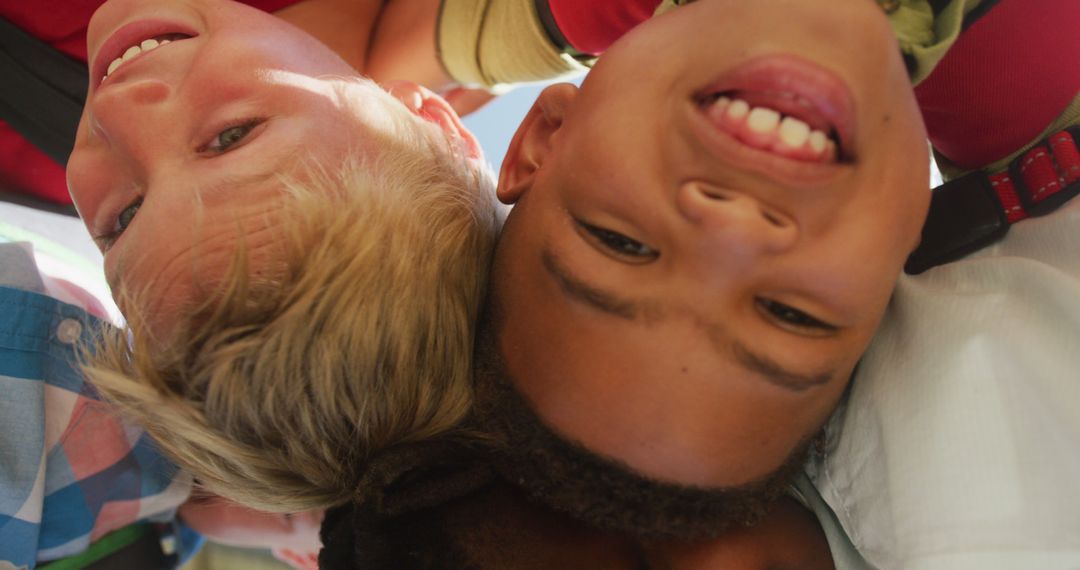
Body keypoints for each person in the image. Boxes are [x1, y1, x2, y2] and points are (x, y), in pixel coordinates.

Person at [473, 0, 931, 539]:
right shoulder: (1024, 78)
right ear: (899, 264)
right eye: (790, 312)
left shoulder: (544, 18)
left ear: (543, 143)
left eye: (621, 242)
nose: (736, 227)